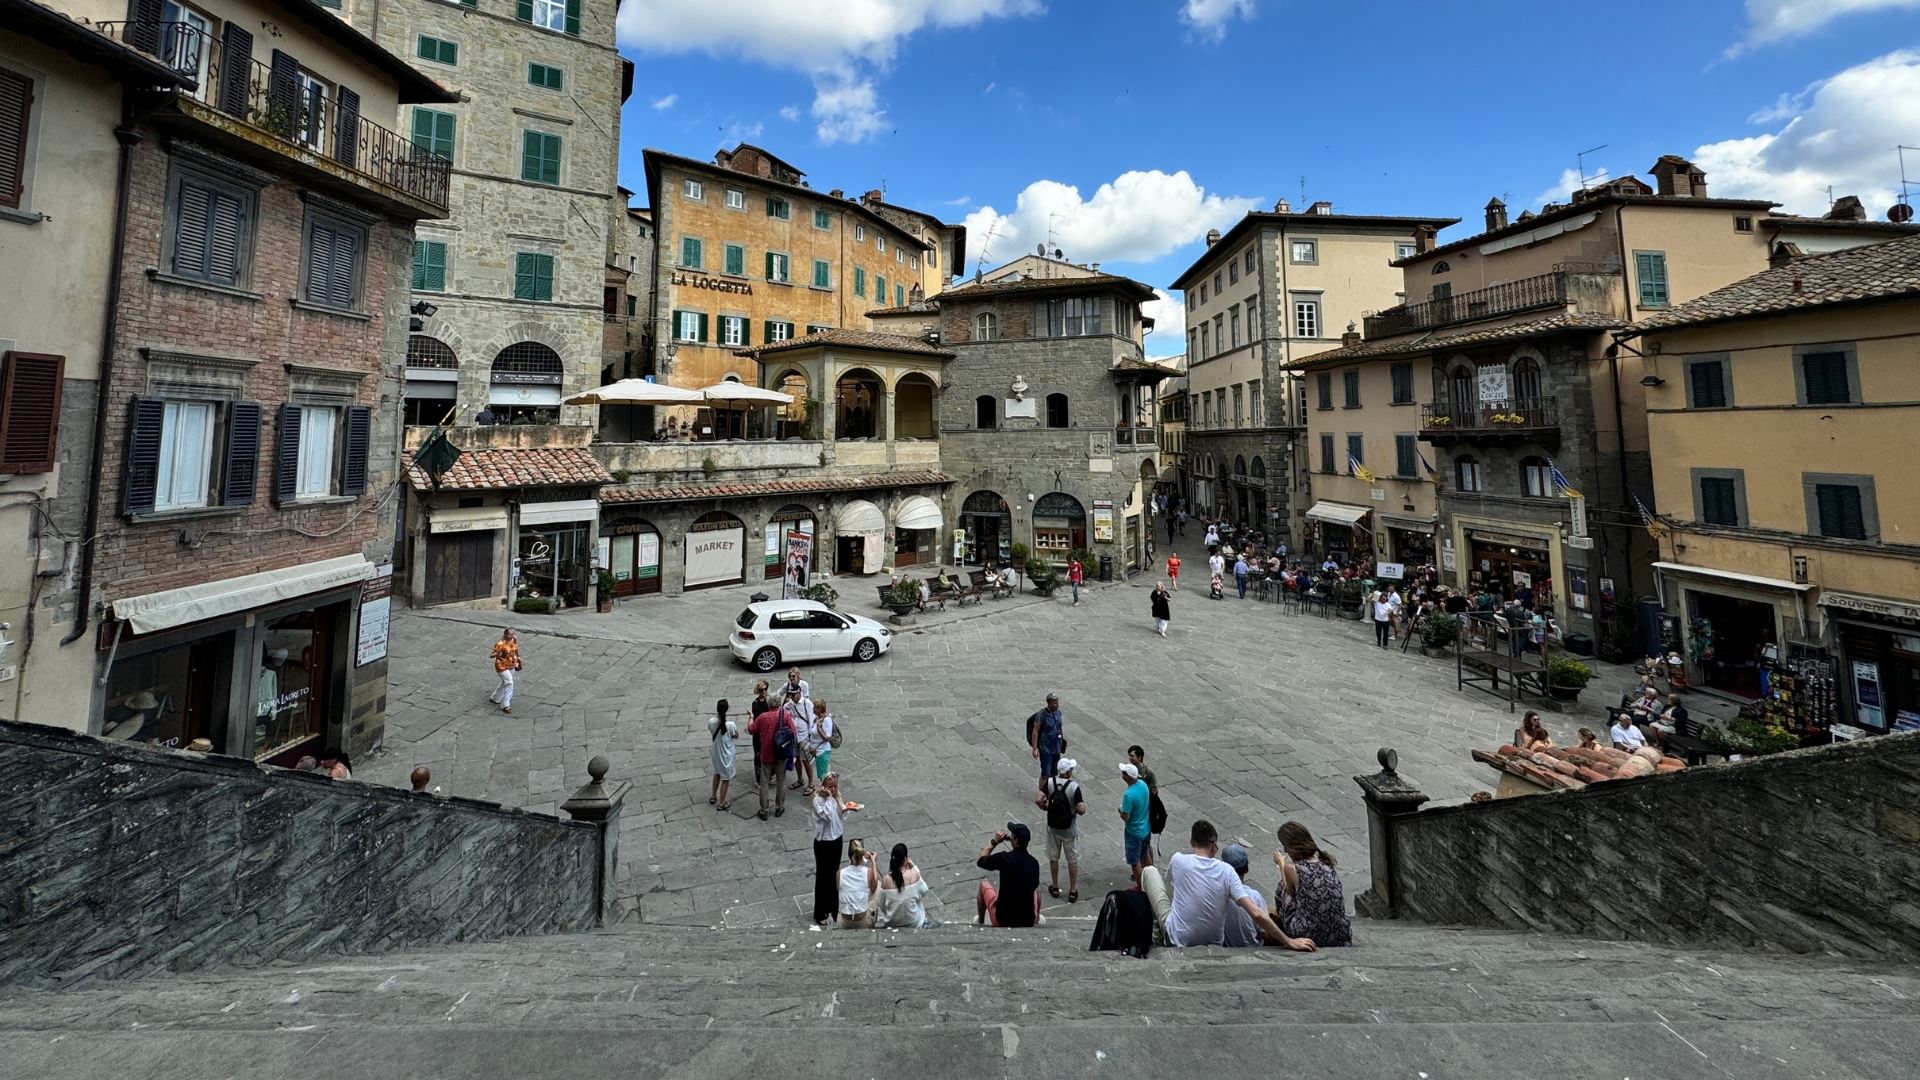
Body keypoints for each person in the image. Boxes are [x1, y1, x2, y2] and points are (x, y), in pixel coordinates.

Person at [1141, 820, 1312, 950]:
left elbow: (1172, 880)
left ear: (1192, 842)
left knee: (1149, 871)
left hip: (1177, 939)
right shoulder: (1227, 871)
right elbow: (1256, 913)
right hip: (1213, 943)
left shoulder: (1178, 860)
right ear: (1214, 846)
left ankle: (1156, 934)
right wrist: (1288, 941)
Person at [1273, 821, 1352, 947]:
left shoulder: (1292, 868)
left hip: (1309, 934)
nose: (1285, 850)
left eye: (1285, 846)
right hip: (1339, 933)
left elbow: (1290, 891)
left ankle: (1285, 933)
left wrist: (1281, 864)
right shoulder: (1326, 865)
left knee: (1282, 888)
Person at [1035, 757, 1087, 903]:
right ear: (1069, 772)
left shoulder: (1050, 782)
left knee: (1053, 857)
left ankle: (1055, 886)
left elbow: (1038, 798)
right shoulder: (1074, 787)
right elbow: (1080, 809)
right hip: (1069, 829)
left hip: (1053, 828)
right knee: (1072, 859)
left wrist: (1045, 807)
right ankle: (1072, 890)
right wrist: (1083, 808)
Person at [975, 822, 1040, 928]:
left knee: (983, 885)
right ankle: (1036, 919)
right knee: (1037, 893)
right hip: (1027, 920)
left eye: (1012, 835)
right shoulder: (1034, 863)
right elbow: (1034, 885)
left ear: (1016, 840)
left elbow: (981, 860)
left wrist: (994, 842)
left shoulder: (1005, 858)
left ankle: (980, 921)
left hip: (1003, 919)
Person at [811, 772, 850, 927]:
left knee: (834, 875)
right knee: (822, 877)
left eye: (834, 786)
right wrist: (827, 798)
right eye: (830, 786)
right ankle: (820, 911)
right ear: (823, 786)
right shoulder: (817, 801)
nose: (832, 789)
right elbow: (826, 815)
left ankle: (833, 909)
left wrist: (846, 808)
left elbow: (840, 817)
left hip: (836, 839)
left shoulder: (836, 797)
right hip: (824, 842)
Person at [1219, 844, 1268, 948]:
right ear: (1246, 869)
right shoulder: (1255, 897)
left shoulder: (1217, 894)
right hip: (1253, 946)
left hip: (1226, 945)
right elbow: (1264, 932)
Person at [748, 698, 789, 819]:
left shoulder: (762, 717)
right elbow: (793, 730)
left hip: (766, 753)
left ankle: (764, 809)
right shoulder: (785, 716)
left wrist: (750, 717)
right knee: (781, 781)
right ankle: (779, 807)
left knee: (764, 782)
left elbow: (751, 729)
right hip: (781, 753)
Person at [876, 843, 934, 928]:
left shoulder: (886, 879)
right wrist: (914, 866)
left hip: (892, 923)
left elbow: (882, 905)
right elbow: (924, 890)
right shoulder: (913, 874)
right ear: (905, 859)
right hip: (913, 923)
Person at [1118, 762, 1153, 884]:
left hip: (1134, 832)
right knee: (1145, 854)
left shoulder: (1128, 794)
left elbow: (1126, 816)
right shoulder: (1143, 785)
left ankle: (1140, 887)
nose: (1122, 774)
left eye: (1123, 773)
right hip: (1146, 828)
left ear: (1128, 777)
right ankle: (1153, 880)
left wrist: (1120, 810)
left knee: (1134, 862)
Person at [1128, 744, 1166, 849]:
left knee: (1146, 842)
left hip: (1146, 809)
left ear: (1139, 757)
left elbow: (1154, 792)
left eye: (1132, 756)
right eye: (1130, 756)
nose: (1130, 758)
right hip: (1138, 807)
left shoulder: (1148, 773)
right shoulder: (1131, 771)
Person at [1026, 693, 1066, 794]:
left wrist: (1062, 741)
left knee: (1053, 772)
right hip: (1045, 748)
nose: (1056, 705)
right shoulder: (1042, 714)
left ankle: (1051, 791)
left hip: (1056, 747)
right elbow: (1035, 731)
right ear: (1048, 703)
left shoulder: (1058, 713)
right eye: (1054, 703)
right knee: (1045, 773)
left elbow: (1059, 727)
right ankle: (1042, 794)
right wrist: (1035, 748)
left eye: (1057, 702)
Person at [837, 839, 878, 929]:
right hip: (862, 921)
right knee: (876, 887)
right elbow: (874, 887)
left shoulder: (840, 873)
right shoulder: (868, 872)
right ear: (862, 854)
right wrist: (873, 861)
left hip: (843, 921)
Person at [708, 698, 738, 811]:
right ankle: (722, 802)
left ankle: (713, 796)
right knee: (725, 778)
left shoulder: (711, 722)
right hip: (727, 755)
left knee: (716, 773)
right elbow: (736, 735)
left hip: (716, 752)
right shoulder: (730, 725)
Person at [487, 628, 521, 715]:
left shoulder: (514, 640)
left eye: (513, 634)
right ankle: (506, 704)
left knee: (505, 682)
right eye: (510, 634)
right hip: (501, 666)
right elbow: (491, 655)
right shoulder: (500, 644)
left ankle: (495, 698)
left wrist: (518, 659)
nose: (512, 636)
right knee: (509, 683)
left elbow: (516, 649)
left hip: (512, 665)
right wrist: (497, 654)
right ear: (505, 635)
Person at [809, 697, 835, 779]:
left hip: (822, 751)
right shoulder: (817, 718)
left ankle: (826, 791)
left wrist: (819, 729)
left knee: (824, 777)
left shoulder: (826, 720)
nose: (812, 708)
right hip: (818, 752)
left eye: (814, 707)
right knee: (822, 776)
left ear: (819, 708)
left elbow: (827, 738)